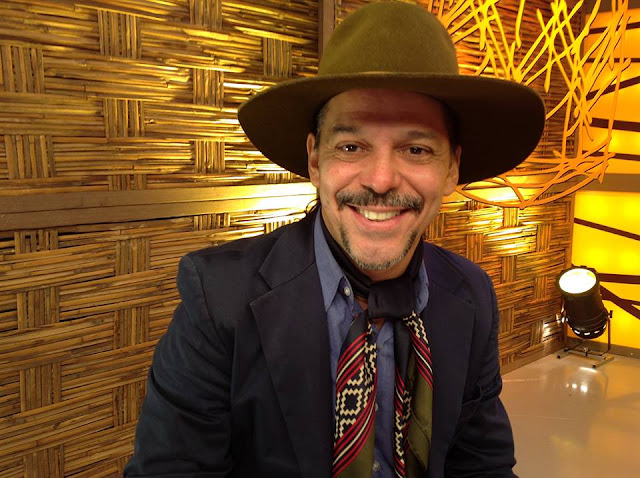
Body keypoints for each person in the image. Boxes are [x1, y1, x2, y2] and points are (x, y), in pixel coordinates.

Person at [124, 2, 545, 477]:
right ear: (315, 160)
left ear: (451, 169)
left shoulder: (472, 294)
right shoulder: (220, 300)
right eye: (350, 146)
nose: (381, 180)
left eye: (416, 149)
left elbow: (481, 464)